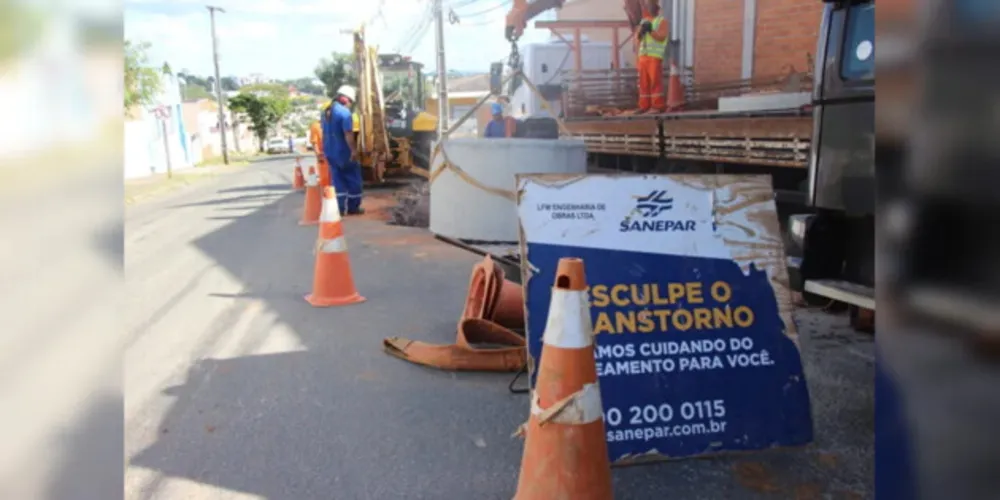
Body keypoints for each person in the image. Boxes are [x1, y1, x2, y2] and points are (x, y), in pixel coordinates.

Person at [322, 86, 364, 215]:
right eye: (350, 101)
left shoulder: (325, 112)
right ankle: (353, 207)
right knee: (354, 180)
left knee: (337, 180)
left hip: (330, 151)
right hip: (343, 152)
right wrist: (354, 150)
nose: (350, 104)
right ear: (345, 99)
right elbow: (348, 134)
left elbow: (324, 133)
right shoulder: (344, 113)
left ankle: (339, 208)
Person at [636, 0, 669, 113]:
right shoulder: (644, 22)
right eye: (648, 6)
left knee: (655, 81)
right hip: (643, 57)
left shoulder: (662, 21)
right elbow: (637, 39)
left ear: (656, 8)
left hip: (654, 57)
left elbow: (661, 37)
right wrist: (640, 33)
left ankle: (657, 106)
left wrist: (650, 31)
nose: (649, 8)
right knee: (643, 83)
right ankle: (644, 106)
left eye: (651, 6)